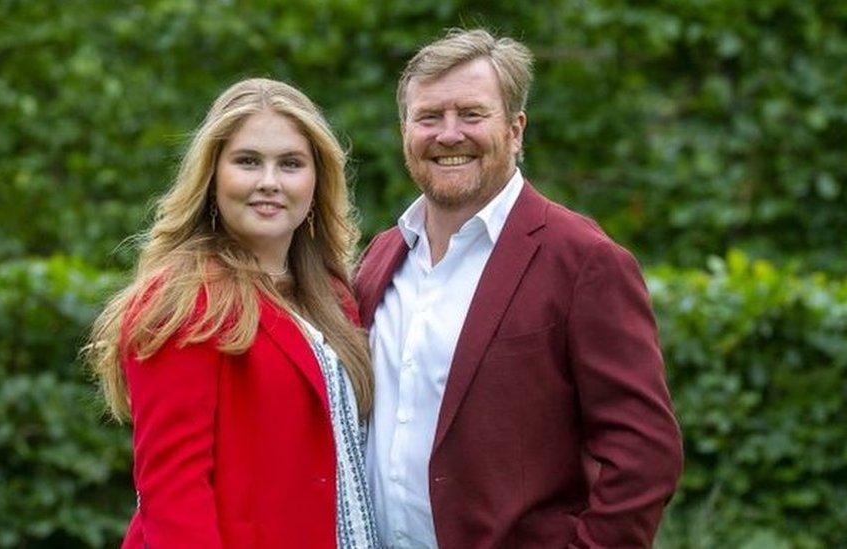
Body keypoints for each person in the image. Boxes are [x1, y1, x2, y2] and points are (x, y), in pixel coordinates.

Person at [355, 29, 684, 548]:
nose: (448, 134)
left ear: (515, 129)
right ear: (404, 131)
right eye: (428, 117)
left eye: (471, 114)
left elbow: (644, 454)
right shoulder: (380, 257)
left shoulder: (583, 260)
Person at [87, 78, 379, 548]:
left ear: (316, 181)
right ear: (212, 178)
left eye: (290, 163)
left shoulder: (334, 297)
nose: (269, 182)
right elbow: (173, 497)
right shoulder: (183, 301)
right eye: (247, 162)